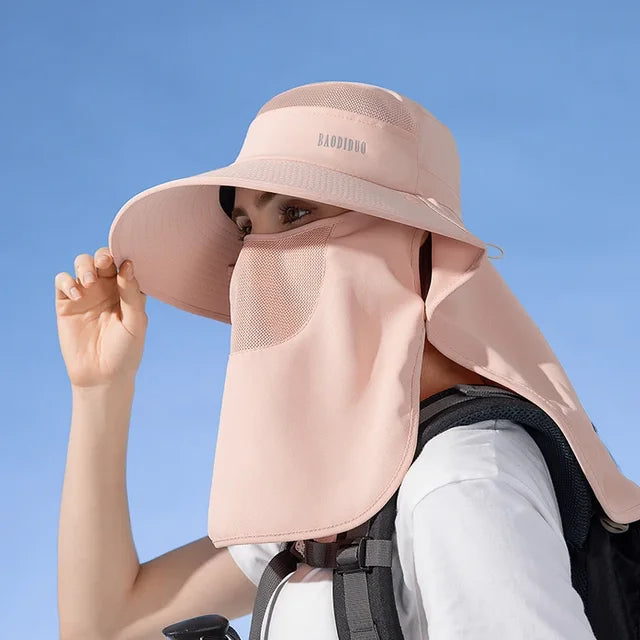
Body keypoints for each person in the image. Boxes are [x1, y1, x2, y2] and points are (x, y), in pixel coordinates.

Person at [56, 81, 635, 639]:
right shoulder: (348, 485)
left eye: (295, 214)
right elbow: (107, 627)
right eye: (245, 229)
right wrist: (99, 388)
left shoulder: (461, 481)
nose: (255, 259)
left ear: (414, 240)